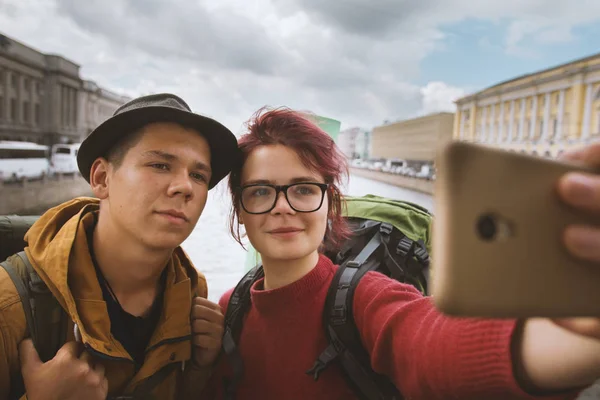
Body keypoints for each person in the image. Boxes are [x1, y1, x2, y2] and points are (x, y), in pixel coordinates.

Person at [200, 106, 600, 399]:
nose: (282, 206)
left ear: (330, 204)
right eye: (261, 191)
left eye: (304, 188)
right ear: (240, 210)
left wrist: (567, 338)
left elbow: (432, 344)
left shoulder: (364, 299)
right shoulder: (230, 308)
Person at [0, 93, 239, 400]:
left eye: (198, 175)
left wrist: (199, 370)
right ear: (101, 178)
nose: (185, 186)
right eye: (160, 165)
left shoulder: (191, 298)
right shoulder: (11, 303)